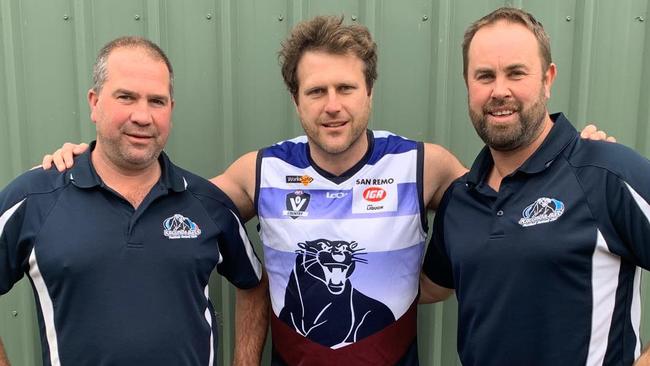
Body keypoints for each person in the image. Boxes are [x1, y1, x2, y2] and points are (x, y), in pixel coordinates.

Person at [41, 16, 612, 366]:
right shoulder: (259, 172)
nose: (332, 104)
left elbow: (503, 203)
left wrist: (573, 158)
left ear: (369, 93)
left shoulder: (424, 165)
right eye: (316, 90)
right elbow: (156, 199)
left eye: (346, 87)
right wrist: (85, 160)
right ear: (297, 100)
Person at [0, 36, 263, 366]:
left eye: (157, 101)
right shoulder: (34, 199)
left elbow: (254, 284)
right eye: (126, 97)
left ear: (171, 109)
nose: (142, 116)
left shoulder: (208, 204)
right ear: (94, 103)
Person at [420, 7, 650, 366]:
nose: (499, 91)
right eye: (484, 76)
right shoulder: (460, 199)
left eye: (516, 73)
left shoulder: (606, 173)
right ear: (468, 84)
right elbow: (427, 287)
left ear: (547, 78)